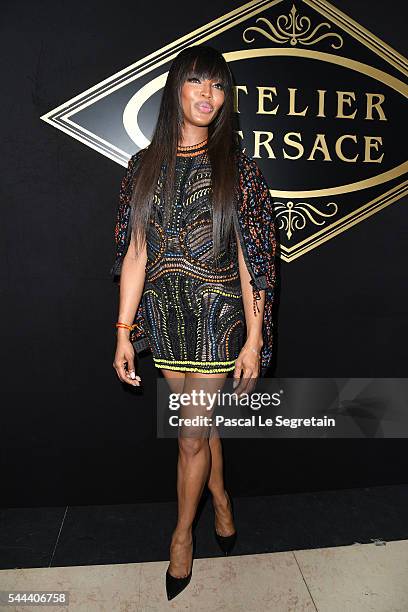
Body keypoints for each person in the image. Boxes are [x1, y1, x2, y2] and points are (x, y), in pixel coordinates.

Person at [111, 45, 277, 601]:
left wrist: (254, 338)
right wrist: (123, 333)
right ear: (176, 89)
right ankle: (223, 497)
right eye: (197, 82)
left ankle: (182, 537)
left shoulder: (240, 169)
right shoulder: (142, 167)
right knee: (198, 429)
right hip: (165, 319)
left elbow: (254, 260)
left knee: (187, 438)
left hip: (217, 319)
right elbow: (135, 253)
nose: (208, 95)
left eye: (219, 86)